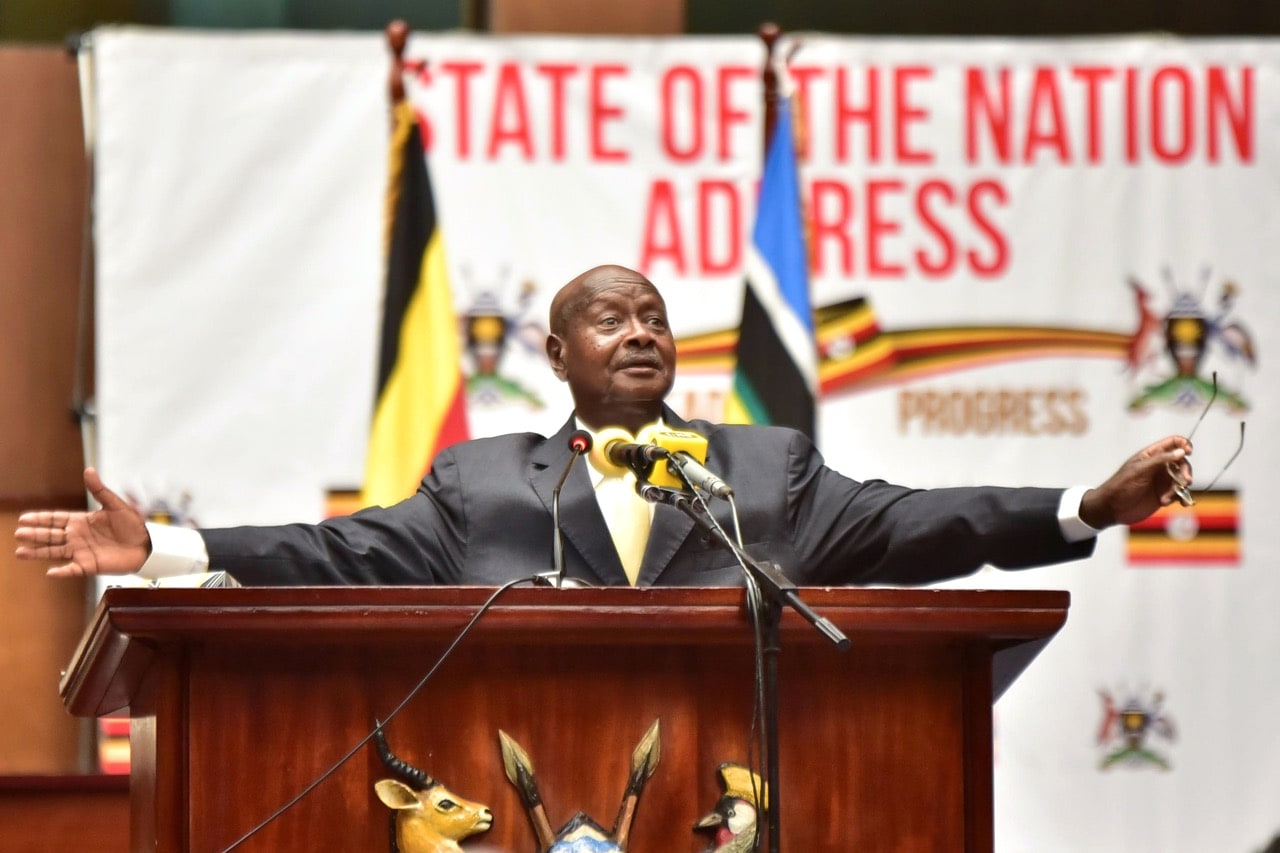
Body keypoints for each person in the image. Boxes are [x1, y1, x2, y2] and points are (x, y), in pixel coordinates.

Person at [15, 264, 1193, 589]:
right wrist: (169, 547)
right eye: (606, 319)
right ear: (555, 352)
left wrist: (1083, 506)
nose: (638, 333)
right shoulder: (479, 485)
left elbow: (918, 522)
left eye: (654, 317)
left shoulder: (764, 471)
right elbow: (335, 552)